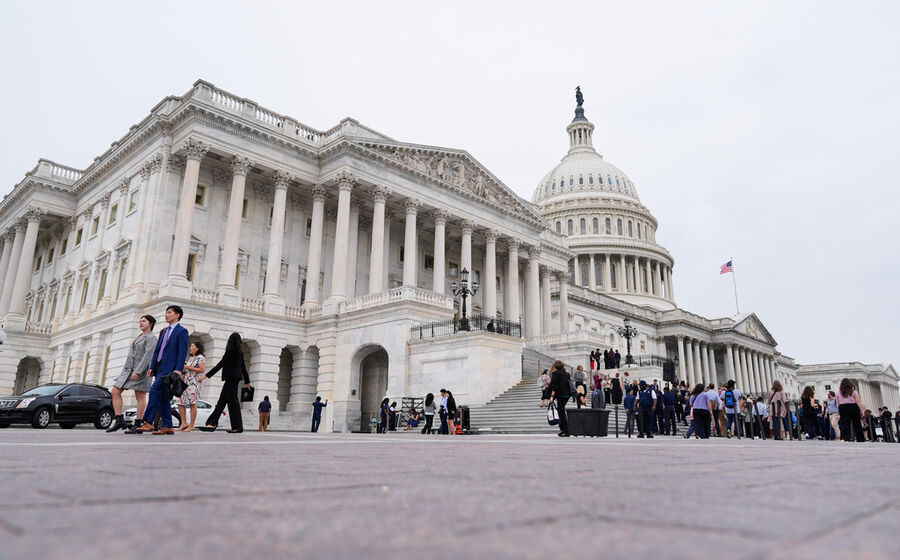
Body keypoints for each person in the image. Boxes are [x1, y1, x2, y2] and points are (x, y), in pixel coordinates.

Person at [136, 305, 189, 435]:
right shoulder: (164, 331)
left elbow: (182, 352)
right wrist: (152, 366)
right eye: (166, 313)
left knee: (154, 391)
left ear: (177, 315)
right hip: (160, 368)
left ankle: (148, 422)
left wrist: (178, 370)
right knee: (164, 398)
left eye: (169, 313)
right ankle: (168, 426)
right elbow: (157, 350)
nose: (166, 315)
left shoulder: (182, 331)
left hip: (170, 369)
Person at [108, 315, 157, 433]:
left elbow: (148, 356)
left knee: (140, 396)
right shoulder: (139, 336)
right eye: (140, 321)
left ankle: (138, 424)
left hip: (141, 371)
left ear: (150, 323)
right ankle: (119, 420)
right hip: (128, 371)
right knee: (115, 391)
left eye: (144, 321)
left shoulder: (151, 338)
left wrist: (138, 371)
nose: (141, 323)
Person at [198, 332, 252, 433]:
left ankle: (236, 427)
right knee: (222, 403)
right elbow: (243, 368)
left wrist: (205, 376)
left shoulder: (230, 352)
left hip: (230, 380)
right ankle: (211, 424)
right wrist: (248, 382)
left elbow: (219, 365)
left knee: (232, 404)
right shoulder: (240, 353)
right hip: (234, 380)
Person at [176, 341, 206, 432]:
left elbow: (202, 369)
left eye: (192, 346)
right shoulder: (190, 358)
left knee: (192, 403)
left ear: (197, 348)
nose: (191, 348)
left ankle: (192, 425)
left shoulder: (200, 358)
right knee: (180, 401)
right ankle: (184, 422)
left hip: (194, 382)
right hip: (185, 382)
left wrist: (189, 368)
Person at [836, 378, 866, 442]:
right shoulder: (853, 391)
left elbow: (837, 403)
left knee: (844, 424)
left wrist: (838, 413)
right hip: (853, 407)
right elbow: (858, 401)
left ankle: (844, 438)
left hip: (842, 407)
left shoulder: (837, 392)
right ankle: (860, 439)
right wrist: (862, 410)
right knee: (857, 424)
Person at [548, 360, 571, 437]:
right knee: (560, 410)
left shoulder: (556, 373)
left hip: (561, 395)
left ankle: (566, 430)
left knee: (561, 412)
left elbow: (553, 386)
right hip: (567, 395)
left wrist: (550, 396)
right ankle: (563, 429)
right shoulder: (567, 374)